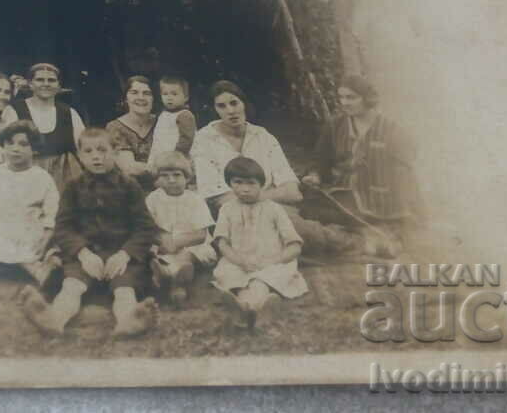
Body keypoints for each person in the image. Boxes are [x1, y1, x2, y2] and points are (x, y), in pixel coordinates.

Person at [191, 80, 390, 258]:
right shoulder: (204, 140)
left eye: (234, 103)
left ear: (244, 103)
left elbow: (293, 191)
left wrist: (263, 199)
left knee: (327, 207)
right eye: (222, 106)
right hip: (231, 216)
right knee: (293, 227)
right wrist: (273, 199)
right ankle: (360, 244)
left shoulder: (262, 136)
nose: (230, 111)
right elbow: (220, 199)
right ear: (214, 110)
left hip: (274, 205)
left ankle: (365, 233)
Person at [19, 128, 159, 338]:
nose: (96, 157)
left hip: (121, 255)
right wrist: (83, 254)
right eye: (88, 151)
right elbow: (63, 227)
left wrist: (124, 254)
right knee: (71, 287)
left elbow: (145, 227)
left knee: (124, 291)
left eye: (102, 150)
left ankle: (128, 322)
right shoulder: (73, 187)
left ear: (115, 151)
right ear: (80, 154)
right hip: (85, 254)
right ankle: (54, 320)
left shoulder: (130, 186)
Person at [300, 75, 418, 249]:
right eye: (341, 97)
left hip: (381, 198)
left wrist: (403, 207)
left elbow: (403, 172)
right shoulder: (335, 126)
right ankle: (364, 235)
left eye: (351, 97)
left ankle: (370, 233)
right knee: (307, 210)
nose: (345, 103)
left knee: (389, 222)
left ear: (368, 99)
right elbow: (320, 159)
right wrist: (315, 174)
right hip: (342, 195)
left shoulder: (391, 129)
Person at [212, 157, 308, 330]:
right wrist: (239, 260)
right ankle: (257, 310)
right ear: (229, 183)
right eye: (237, 182)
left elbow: (294, 246)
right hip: (238, 261)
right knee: (230, 274)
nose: (244, 189)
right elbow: (222, 243)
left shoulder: (274, 209)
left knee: (261, 280)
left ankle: (246, 310)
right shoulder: (226, 209)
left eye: (251, 183)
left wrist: (271, 261)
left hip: (271, 260)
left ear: (261, 184)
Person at [0, 120, 60, 285]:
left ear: (35, 149)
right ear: (3, 146)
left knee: (27, 247)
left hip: (28, 230)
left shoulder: (42, 177)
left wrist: (46, 238)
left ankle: (26, 265)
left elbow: (51, 214)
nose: (15, 149)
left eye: (23, 144)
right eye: (9, 143)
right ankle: (30, 267)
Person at [144, 151, 215, 308]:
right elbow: (148, 227)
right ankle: (167, 277)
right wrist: (162, 242)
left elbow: (201, 235)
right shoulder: (153, 199)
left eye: (176, 175)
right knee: (154, 254)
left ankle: (176, 282)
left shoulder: (195, 199)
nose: (171, 180)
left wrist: (176, 243)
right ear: (157, 179)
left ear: (187, 178)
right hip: (163, 244)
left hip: (192, 244)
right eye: (165, 176)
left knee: (187, 257)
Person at [12, 63, 86, 193]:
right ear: (30, 84)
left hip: (62, 178)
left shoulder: (69, 113)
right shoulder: (14, 110)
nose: (46, 84)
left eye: (51, 80)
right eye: (40, 79)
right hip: (25, 177)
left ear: (58, 86)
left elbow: (83, 149)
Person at [105, 75, 158, 191]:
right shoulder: (114, 127)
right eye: (134, 92)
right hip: (129, 193)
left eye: (147, 93)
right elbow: (129, 168)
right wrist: (168, 168)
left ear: (154, 98)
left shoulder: (162, 122)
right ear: (126, 98)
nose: (141, 97)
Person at [149, 75, 196, 158]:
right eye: (165, 94)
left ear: (185, 98)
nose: (169, 98)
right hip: (159, 155)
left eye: (174, 94)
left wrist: (176, 156)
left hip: (176, 158)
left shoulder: (184, 115)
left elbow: (186, 140)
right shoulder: (163, 114)